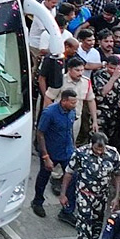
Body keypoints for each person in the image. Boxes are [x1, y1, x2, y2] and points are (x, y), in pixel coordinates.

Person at [62, 132, 120, 239]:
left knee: (96, 230)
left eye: (102, 149)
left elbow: (119, 174)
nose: (99, 152)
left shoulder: (113, 154)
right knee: (84, 228)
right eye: (97, 149)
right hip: (84, 195)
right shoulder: (81, 153)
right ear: (91, 144)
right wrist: (63, 194)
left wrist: (116, 196)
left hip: (101, 197)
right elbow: (69, 172)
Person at [34, 89, 80, 218]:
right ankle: (37, 201)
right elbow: (40, 133)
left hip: (67, 151)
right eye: (72, 102)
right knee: (44, 176)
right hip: (51, 152)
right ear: (64, 101)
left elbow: (70, 130)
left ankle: (67, 210)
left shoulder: (71, 112)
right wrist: (45, 156)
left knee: (72, 178)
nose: (74, 105)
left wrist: (74, 146)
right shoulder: (49, 113)